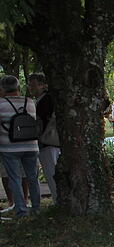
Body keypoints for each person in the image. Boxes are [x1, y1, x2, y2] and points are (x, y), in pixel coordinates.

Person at [0, 75, 41, 218]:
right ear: (18, 87)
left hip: (9, 148)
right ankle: (36, 208)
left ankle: (21, 210)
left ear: (3, 89)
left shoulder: (1, 104)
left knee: (15, 178)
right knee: (32, 177)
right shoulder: (29, 102)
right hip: (31, 146)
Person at [28, 72, 61, 205]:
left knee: (51, 172)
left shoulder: (46, 100)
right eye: (30, 85)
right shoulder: (43, 99)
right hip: (48, 141)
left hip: (49, 141)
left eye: (33, 85)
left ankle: (58, 200)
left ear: (43, 85)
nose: (31, 88)